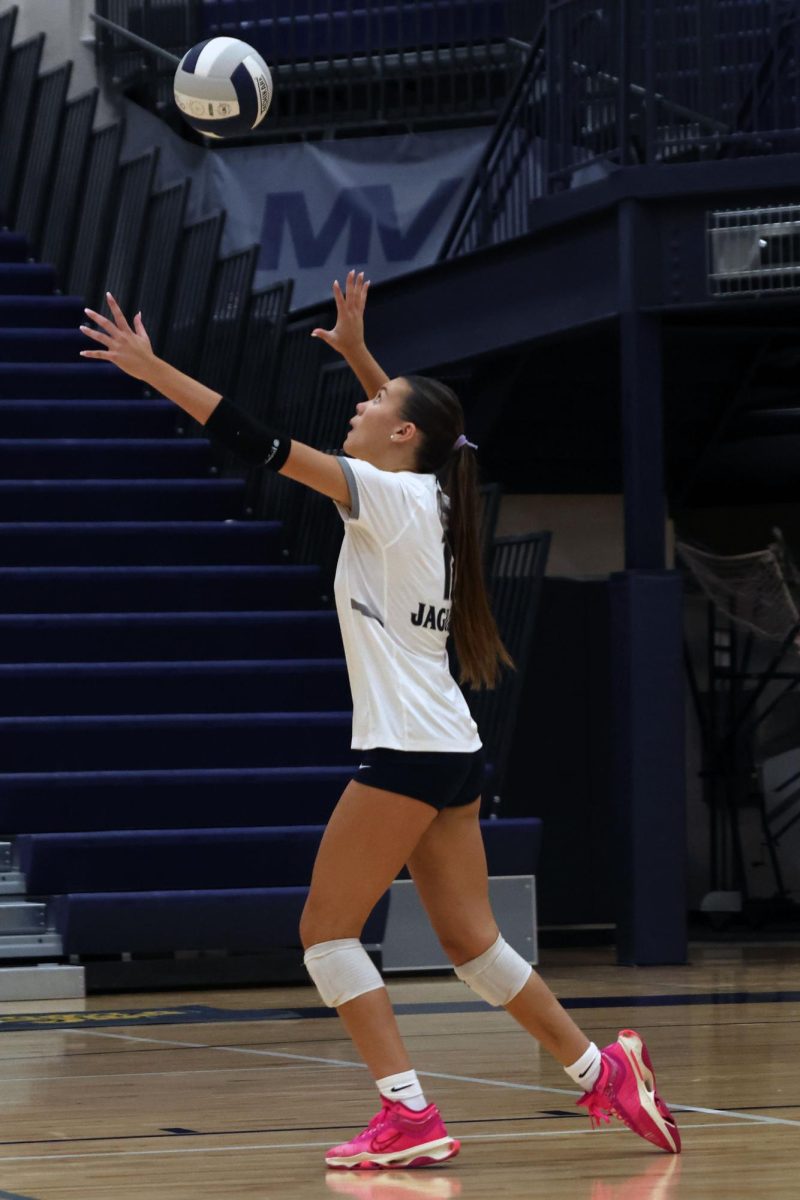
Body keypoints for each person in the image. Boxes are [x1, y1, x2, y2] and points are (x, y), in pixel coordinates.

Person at [80, 272, 681, 1170]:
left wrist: (152, 366)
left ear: (402, 436)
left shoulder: (388, 494)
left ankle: (408, 1115)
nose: (355, 415)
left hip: (405, 750)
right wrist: (364, 356)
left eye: (373, 407)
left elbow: (259, 443)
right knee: (472, 946)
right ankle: (602, 1071)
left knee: (325, 934)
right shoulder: (435, 496)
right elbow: (412, 428)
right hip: (451, 750)